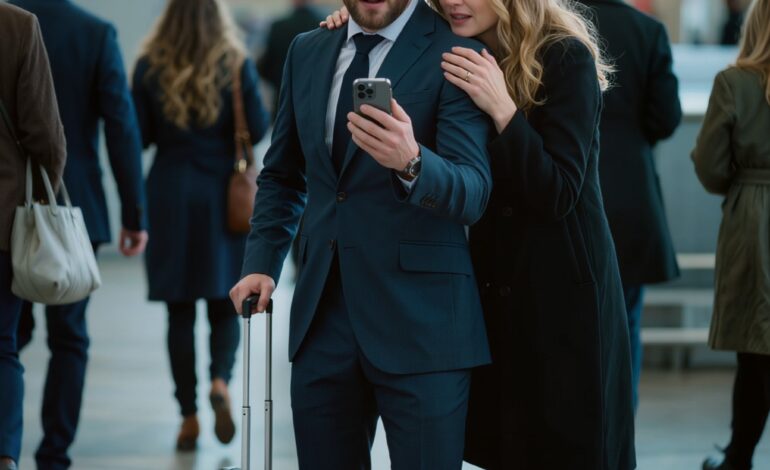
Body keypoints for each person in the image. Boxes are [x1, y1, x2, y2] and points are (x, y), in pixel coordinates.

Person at [322, 0, 635, 467]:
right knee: (508, 445)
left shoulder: (566, 58)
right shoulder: (452, 49)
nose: (453, 1)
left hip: (562, 293)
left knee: (568, 447)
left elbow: (559, 194)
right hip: (491, 289)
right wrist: (356, 25)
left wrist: (505, 110)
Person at [229, 0, 493, 466]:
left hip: (425, 328)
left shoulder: (457, 53)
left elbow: (473, 194)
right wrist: (261, 262)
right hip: (323, 322)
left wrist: (411, 161)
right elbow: (283, 175)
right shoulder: (307, 50)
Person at [8, 0, 149, 467]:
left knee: (9, 332)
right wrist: (134, 212)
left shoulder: (10, 22)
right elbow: (120, 126)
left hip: (6, 209)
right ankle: (54, 455)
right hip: (71, 208)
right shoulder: (94, 32)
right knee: (69, 338)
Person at [132, 0, 269, 452]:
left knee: (179, 309)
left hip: (169, 193)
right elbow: (260, 126)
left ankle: (188, 415)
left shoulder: (152, 64)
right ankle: (220, 381)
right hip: (222, 197)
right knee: (221, 299)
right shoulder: (234, 62)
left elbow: (141, 134)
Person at [576, 0, 682, 412]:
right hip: (633, 197)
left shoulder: (560, 24)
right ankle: (620, 424)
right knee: (627, 321)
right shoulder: (648, 31)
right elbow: (666, 119)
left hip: (570, 188)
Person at [692, 1, 770, 469]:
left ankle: (738, 456)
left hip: (754, 221)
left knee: (756, 344)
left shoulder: (734, 83)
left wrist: (743, 183)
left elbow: (709, 166)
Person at [0, 4, 66, 470]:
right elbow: (46, 135)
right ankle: (4, 456)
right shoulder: (17, 25)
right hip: (3, 221)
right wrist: (50, 202)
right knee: (2, 346)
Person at [257, 0, 323, 120]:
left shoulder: (278, 27)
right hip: (317, 105)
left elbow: (265, 66)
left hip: (284, 101)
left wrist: (281, 80)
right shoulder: (325, 25)